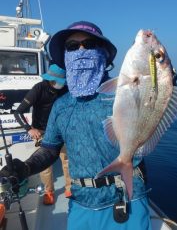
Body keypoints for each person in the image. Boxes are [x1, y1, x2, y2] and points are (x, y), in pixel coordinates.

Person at [0, 21, 152, 230]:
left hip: (127, 199)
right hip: (81, 204)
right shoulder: (61, 106)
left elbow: (151, 102)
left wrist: (160, 82)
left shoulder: (124, 92)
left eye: (89, 44)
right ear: (65, 57)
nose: (81, 51)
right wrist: (26, 167)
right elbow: (50, 149)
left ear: (105, 53)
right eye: (72, 47)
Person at [13, 64, 71, 205]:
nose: (61, 84)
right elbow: (17, 112)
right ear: (51, 80)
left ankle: (70, 188)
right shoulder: (38, 88)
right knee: (45, 165)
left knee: (67, 161)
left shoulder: (66, 89)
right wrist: (29, 128)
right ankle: (48, 191)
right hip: (43, 132)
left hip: (62, 131)